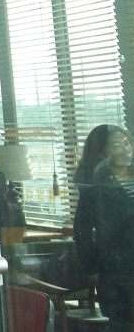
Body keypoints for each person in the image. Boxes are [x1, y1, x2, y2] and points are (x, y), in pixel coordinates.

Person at [75, 125, 134, 332]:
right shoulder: (95, 186)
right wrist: (92, 268)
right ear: (101, 153)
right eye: (117, 145)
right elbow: (81, 231)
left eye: (127, 143)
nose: (126, 150)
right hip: (118, 270)